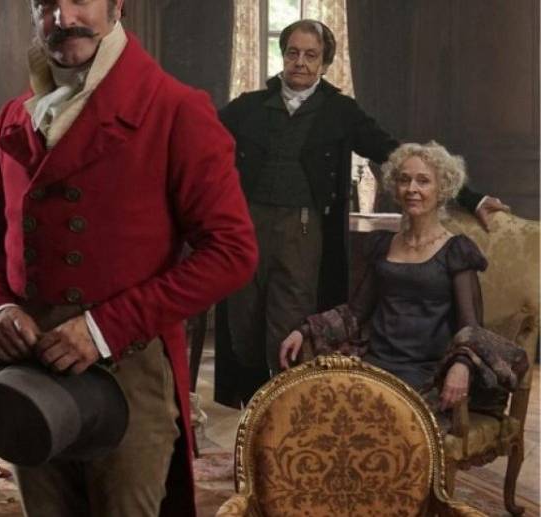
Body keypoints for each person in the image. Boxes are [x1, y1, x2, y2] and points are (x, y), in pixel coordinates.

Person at [0, 1, 258, 515]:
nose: (63, 17)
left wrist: (103, 328)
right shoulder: (16, 114)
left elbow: (232, 251)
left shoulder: (174, 108)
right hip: (30, 364)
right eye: (46, 4)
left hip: (128, 364)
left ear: (117, 4)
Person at [215, 19, 511, 408]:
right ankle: (251, 418)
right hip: (245, 227)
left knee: (286, 329)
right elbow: (200, 141)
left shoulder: (339, 111)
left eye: (311, 55)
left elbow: (396, 154)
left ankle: (286, 415)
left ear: (324, 63)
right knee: (242, 324)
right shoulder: (248, 107)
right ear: (282, 56)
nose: (300, 62)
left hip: (303, 232)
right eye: (292, 53)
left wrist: (471, 198)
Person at [278, 142, 528, 422]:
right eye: (404, 180)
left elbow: (470, 326)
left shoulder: (456, 250)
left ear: (442, 189)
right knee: (318, 416)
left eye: (423, 181)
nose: (412, 189)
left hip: (426, 374)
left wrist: (462, 365)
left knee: (378, 425)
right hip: (374, 366)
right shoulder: (382, 245)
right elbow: (356, 313)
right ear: (395, 187)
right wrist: (303, 331)